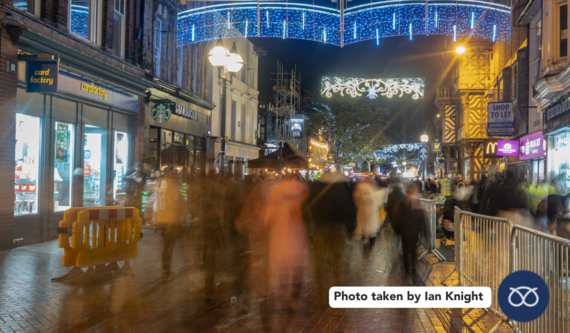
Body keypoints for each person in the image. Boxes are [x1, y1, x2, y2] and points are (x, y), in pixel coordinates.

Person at [306, 169, 357, 305]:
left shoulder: (315, 186)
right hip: (338, 225)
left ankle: (321, 285)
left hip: (320, 226)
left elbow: (309, 206)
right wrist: (351, 225)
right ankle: (338, 281)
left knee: (320, 255)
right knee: (337, 256)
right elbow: (349, 206)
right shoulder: (340, 187)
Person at [262, 178, 309, 312]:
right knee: (297, 272)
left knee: (282, 272)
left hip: (279, 240)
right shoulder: (302, 197)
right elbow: (307, 217)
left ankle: (284, 297)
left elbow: (266, 220)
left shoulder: (275, 198)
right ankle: (294, 300)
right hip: (297, 240)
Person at [153, 168, 185, 280]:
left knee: (168, 246)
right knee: (168, 246)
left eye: (176, 174)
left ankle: (165, 270)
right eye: (174, 174)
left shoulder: (163, 184)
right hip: (171, 221)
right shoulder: (171, 187)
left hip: (166, 220)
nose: (176, 176)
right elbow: (178, 204)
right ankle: (166, 271)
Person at [398, 184, 425, 280]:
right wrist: (423, 232)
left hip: (408, 231)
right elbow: (423, 219)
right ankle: (410, 268)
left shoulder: (404, 203)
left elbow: (399, 218)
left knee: (409, 250)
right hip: (411, 231)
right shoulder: (417, 204)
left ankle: (408, 269)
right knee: (410, 250)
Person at [353, 180, 383, 258]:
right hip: (372, 214)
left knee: (363, 232)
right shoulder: (374, 191)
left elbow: (356, 202)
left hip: (362, 213)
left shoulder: (358, 190)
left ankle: (365, 249)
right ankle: (370, 248)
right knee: (372, 232)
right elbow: (379, 203)